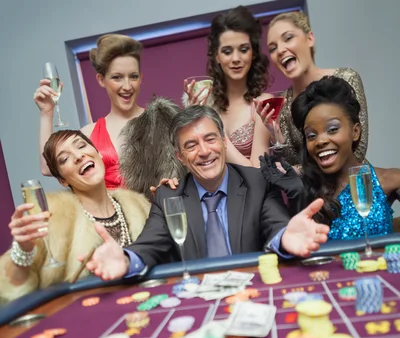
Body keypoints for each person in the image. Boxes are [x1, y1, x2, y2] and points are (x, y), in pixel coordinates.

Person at [83, 105, 330, 281]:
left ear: (224, 141)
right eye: (191, 145)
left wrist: (285, 237)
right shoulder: (168, 196)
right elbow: (148, 246)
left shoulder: (256, 182)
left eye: (210, 139)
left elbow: (275, 226)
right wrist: (126, 260)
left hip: (251, 293)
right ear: (179, 156)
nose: (203, 151)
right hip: (198, 302)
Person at [0, 130, 150, 303]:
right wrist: (23, 249)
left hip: (146, 303)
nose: (79, 156)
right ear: (63, 180)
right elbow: (11, 287)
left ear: (99, 154)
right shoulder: (52, 219)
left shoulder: (139, 205)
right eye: (64, 159)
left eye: (81, 146)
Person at [262, 76, 397, 240]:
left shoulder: (388, 180)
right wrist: (295, 194)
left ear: (355, 132)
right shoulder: (308, 192)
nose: (320, 141)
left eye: (332, 129)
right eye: (311, 135)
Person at [257, 11, 368, 167]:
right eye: (273, 48)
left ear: (310, 38)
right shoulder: (284, 103)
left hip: (353, 182)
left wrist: (306, 172)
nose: (280, 50)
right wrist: (275, 132)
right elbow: (293, 162)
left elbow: (359, 149)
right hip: (314, 191)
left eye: (288, 38)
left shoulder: (346, 78)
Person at [34, 34, 144, 188]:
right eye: (117, 77)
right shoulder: (89, 134)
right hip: (117, 211)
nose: (127, 86)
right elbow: (48, 167)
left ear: (140, 78)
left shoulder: (162, 121)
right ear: (101, 79)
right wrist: (46, 113)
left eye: (133, 76)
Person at [185, 6, 272, 167]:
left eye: (243, 49)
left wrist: (216, 129)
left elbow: (258, 172)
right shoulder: (208, 105)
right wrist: (194, 118)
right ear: (217, 56)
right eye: (227, 51)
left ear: (253, 53)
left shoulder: (262, 105)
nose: (236, 58)